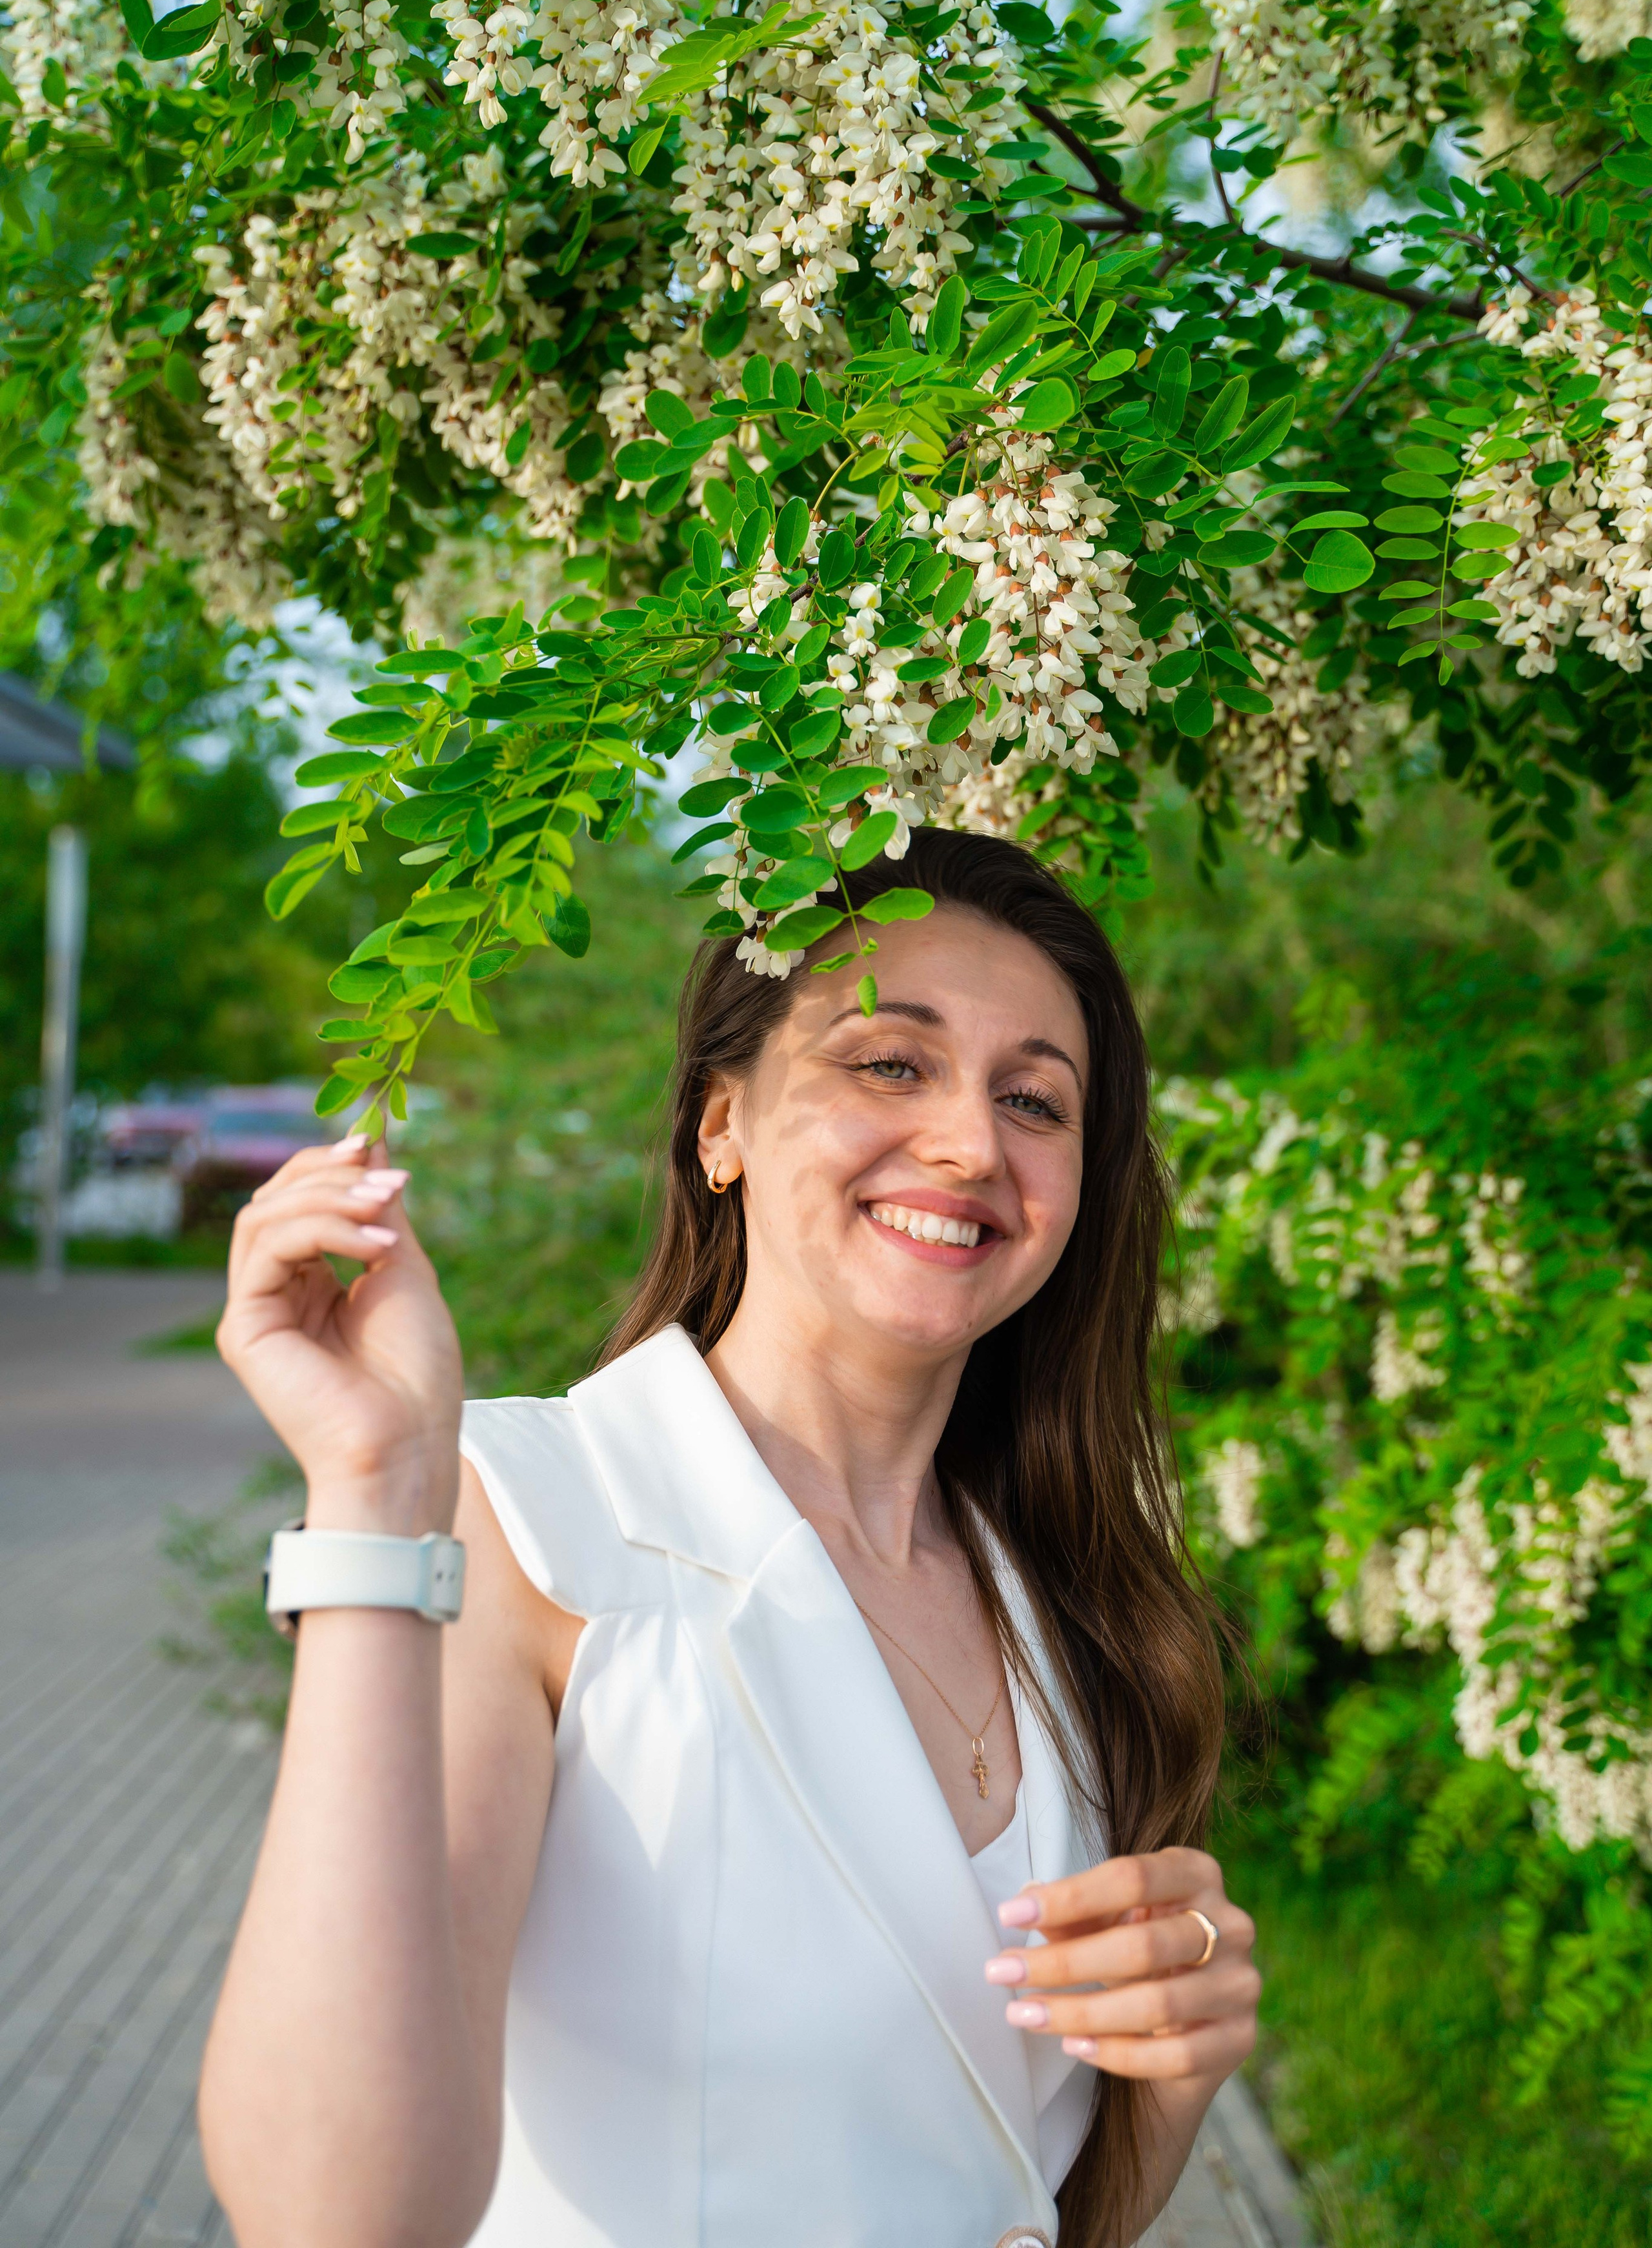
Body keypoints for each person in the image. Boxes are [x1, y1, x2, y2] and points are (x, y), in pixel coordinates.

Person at [200, 828, 1260, 2248]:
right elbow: (331, 2218)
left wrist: (1176, 2068)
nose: (968, 1140)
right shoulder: (519, 1518)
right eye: (890, 1063)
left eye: (1035, 1100)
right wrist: (371, 1497)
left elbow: (1042, 2211)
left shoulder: (1070, 1601)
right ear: (721, 1125)